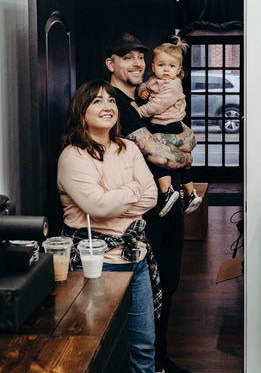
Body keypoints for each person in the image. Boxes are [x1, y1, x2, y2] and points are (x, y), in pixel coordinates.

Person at [105, 32, 194, 373]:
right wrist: (184, 150)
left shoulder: (154, 94)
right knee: (146, 290)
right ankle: (144, 363)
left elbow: (187, 133)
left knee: (168, 283)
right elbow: (162, 153)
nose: (137, 63)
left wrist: (183, 142)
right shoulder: (114, 102)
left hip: (167, 206)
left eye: (141, 57)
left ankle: (158, 359)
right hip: (141, 213)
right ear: (111, 64)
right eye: (128, 57)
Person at [57, 79, 158, 373]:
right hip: (97, 264)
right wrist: (131, 190)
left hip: (135, 257)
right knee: (98, 348)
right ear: (81, 111)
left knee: (144, 345)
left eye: (111, 101)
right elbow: (97, 207)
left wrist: (113, 201)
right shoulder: (73, 156)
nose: (108, 107)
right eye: (97, 101)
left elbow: (150, 197)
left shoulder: (128, 147)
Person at [131, 36, 202, 217]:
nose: (166, 70)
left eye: (171, 67)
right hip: (164, 125)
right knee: (178, 162)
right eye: (161, 65)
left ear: (178, 70)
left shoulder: (173, 85)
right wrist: (142, 91)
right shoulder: (155, 80)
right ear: (154, 67)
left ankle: (167, 191)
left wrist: (138, 111)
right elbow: (145, 86)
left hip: (169, 125)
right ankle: (191, 193)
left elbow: (157, 106)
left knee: (159, 157)